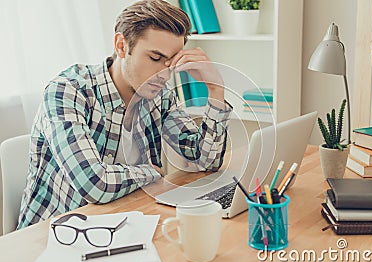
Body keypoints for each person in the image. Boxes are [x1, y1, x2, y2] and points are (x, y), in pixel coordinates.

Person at [17, 0, 232, 229]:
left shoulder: (159, 95)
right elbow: (94, 184)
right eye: (155, 58)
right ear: (121, 46)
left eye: (171, 63)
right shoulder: (67, 91)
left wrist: (215, 89)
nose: (164, 74)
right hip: (54, 235)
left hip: (124, 225)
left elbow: (206, 160)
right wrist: (150, 172)